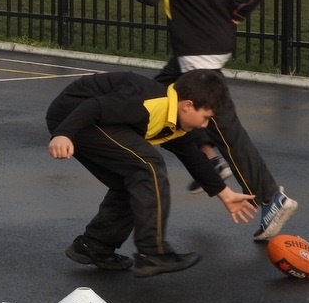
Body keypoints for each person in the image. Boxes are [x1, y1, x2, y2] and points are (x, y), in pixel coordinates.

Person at [125, 0, 297, 241]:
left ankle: (271, 197)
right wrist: (242, 8)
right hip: (214, 41)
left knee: (225, 128)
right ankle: (207, 155)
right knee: (160, 95)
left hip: (195, 48)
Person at [46, 69, 258, 278]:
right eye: (205, 117)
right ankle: (153, 252)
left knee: (132, 180)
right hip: (74, 116)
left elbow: (193, 157)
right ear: (188, 106)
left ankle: (94, 245)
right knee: (148, 166)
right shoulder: (147, 103)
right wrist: (64, 134)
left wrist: (226, 194)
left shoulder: (175, 120)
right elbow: (94, 106)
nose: (205, 125)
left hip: (94, 119)